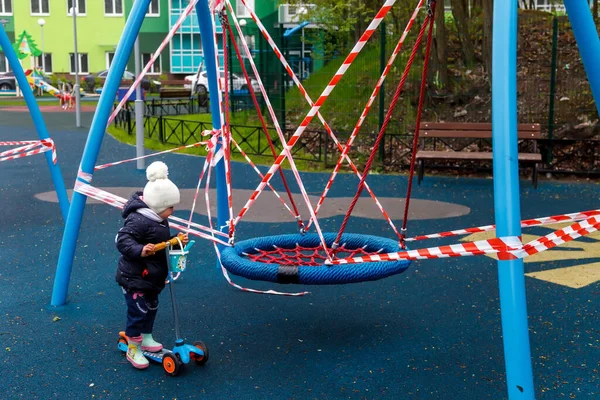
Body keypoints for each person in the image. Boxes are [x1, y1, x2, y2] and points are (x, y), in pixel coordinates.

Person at [115, 161, 188, 369]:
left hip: (152, 276)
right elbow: (122, 240)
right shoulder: (138, 220)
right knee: (137, 312)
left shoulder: (159, 219)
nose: (172, 211)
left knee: (151, 307)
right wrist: (140, 249)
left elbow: (160, 242)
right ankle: (133, 347)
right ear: (158, 205)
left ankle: (146, 337)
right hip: (135, 277)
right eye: (170, 207)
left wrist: (175, 239)